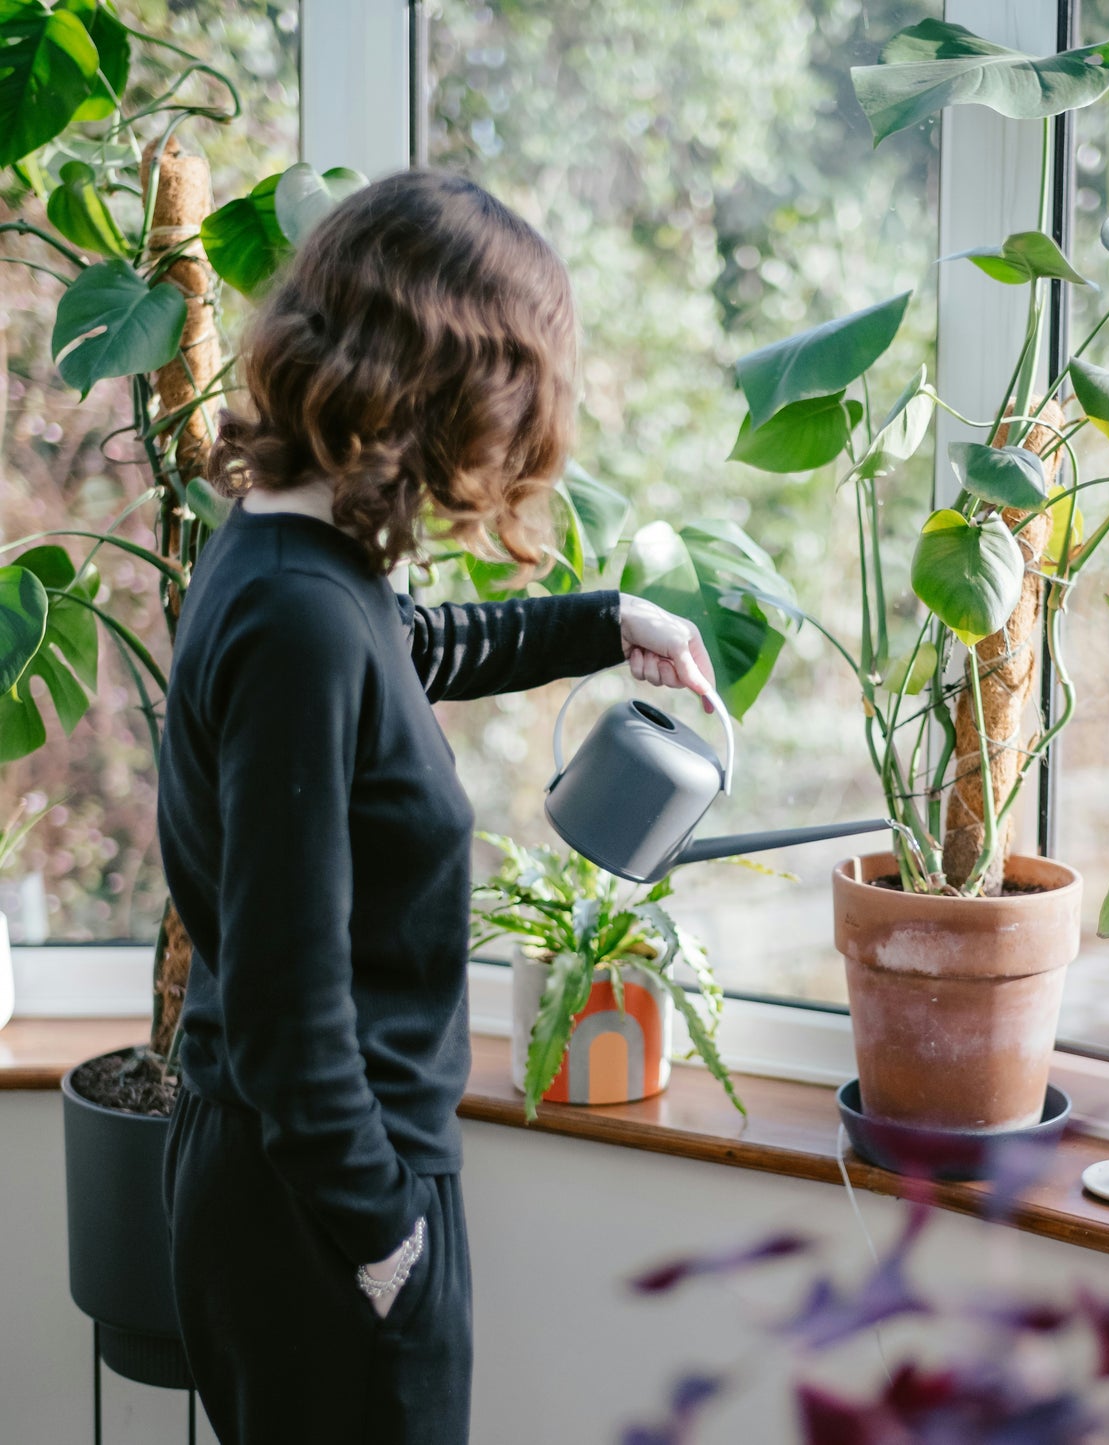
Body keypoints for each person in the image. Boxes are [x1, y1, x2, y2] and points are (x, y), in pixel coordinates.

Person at [156, 170, 713, 1445]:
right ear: (440, 390)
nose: (509, 452)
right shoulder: (300, 619)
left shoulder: (292, 554)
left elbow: (409, 645)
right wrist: (389, 1252)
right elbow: (292, 1027)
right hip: (325, 1215)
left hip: (303, 1188)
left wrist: (604, 622)